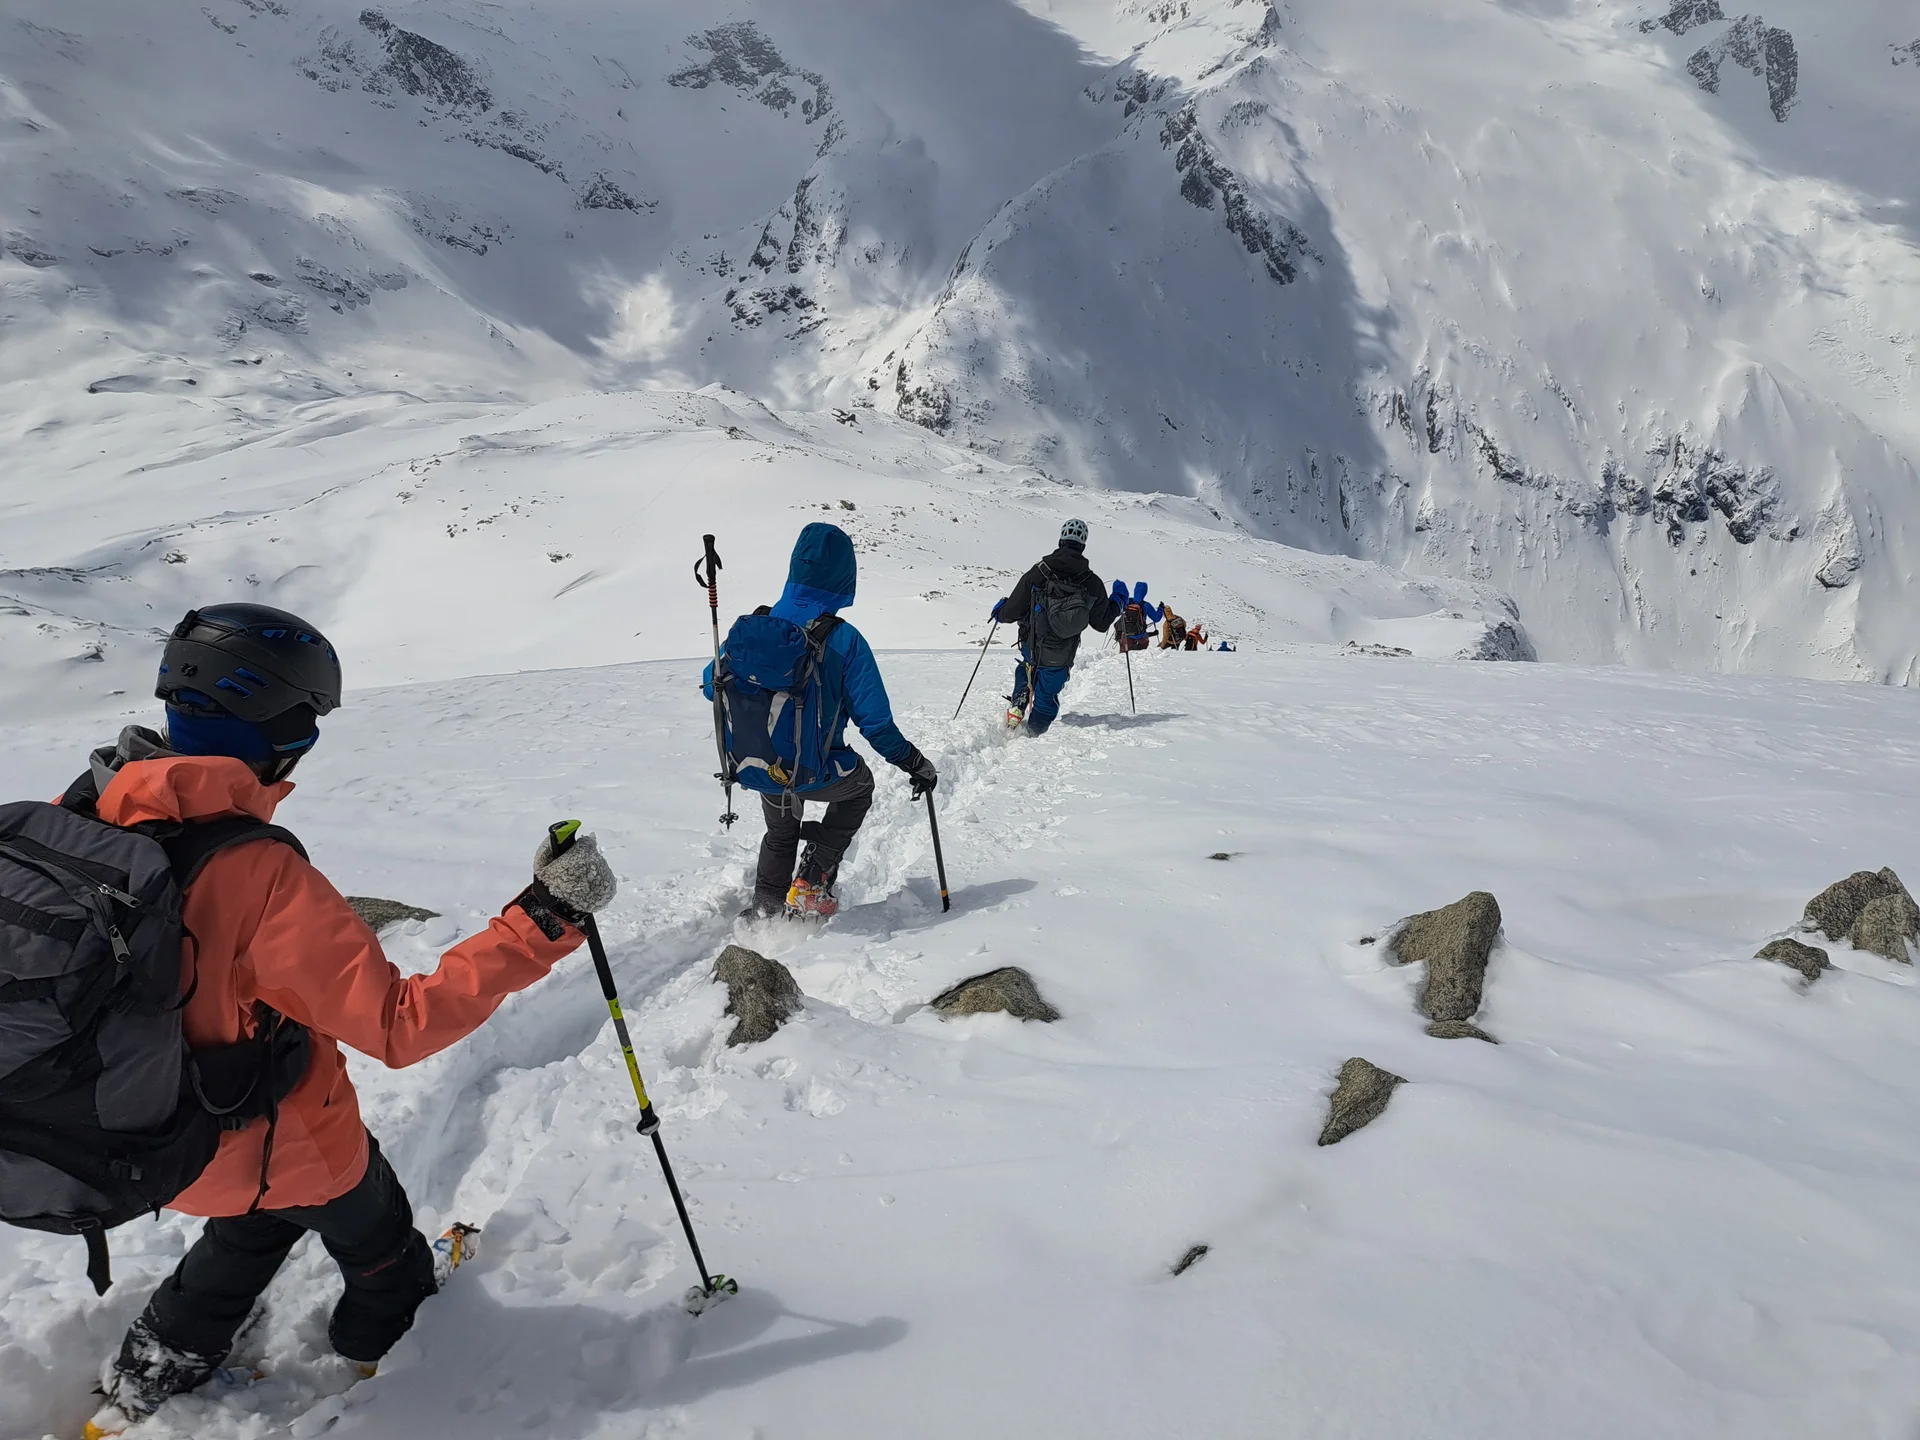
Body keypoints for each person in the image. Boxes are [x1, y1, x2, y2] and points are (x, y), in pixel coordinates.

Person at [80, 604, 618, 1435]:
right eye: (307, 722)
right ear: (277, 727)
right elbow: (399, 1024)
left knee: (248, 1229)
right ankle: (390, 1330)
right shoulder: (254, 871)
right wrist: (543, 917)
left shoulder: (80, 813)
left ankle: (153, 1365)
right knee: (371, 1227)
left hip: (131, 1142)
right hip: (278, 1143)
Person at [708, 524, 937, 920]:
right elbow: (876, 724)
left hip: (761, 764)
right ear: (845, 577)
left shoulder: (755, 628)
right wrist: (916, 764)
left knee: (780, 831)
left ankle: (766, 906)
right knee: (860, 787)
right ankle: (812, 882)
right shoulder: (844, 640)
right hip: (817, 771)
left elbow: (713, 687)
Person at [991, 519, 1122, 735]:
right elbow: (1101, 624)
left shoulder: (1039, 572)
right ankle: (1034, 735)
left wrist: (1000, 612)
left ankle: (1018, 703)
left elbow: (1011, 611)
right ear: (1083, 545)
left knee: (1026, 668)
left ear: (1061, 540)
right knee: (1046, 694)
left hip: (1031, 644)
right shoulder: (1092, 582)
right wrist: (1118, 601)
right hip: (1061, 653)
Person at [1114, 581, 1159, 653]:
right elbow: (1156, 619)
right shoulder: (1146, 605)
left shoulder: (1128, 601)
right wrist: (1161, 609)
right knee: (1142, 650)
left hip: (1126, 633)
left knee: (1123, 655)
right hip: (1141, 635)